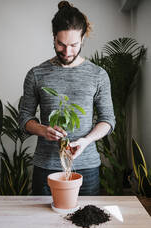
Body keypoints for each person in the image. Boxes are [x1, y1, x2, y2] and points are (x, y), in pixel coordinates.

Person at [19, 1, 115, 196]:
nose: (67, 52)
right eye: (61, 44)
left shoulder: (98, 75)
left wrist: (86, 141)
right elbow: (24, 118)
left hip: (86, 168)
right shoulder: (36, 74)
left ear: (83, 39)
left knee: (86, 223)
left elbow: (108, 120)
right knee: (44, 223)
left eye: (74, 45)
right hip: (46, 167)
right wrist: (43, 130)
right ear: (54, 37)